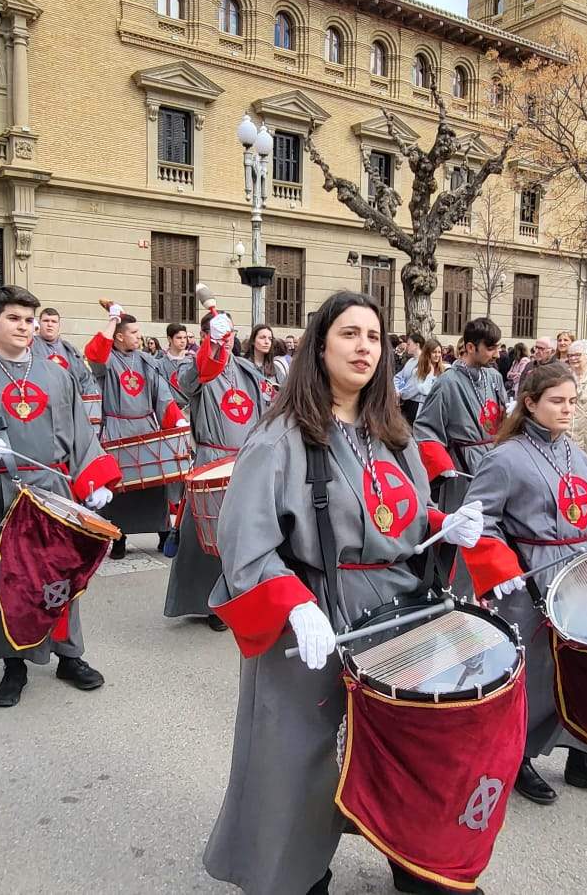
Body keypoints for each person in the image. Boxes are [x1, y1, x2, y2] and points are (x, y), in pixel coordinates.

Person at [203, 290, 487, 895]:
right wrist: (292, 603)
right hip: (319, 618)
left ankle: (413, 861)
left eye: (374, 338)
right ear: (319, 346)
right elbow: (245, 544)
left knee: (404, 749)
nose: (364, 348)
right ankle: (298, 875)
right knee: (303, 761)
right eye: (349, 335)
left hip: (401, 616)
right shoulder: (279, 437)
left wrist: (444, 527)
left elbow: (408, 520)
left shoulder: (395, 433)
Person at [462, 361, 587, 805]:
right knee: (534, 672)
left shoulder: (579, 455)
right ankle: (520, 758)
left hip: (582, 569)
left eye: (572, 401)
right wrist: (498, 569)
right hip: (530, 576)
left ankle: (583, 756)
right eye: (557, 401)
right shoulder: (505, 457)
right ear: (530, 403)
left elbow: (582, 511)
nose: (568, 409)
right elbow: (478, 520)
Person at [0, 286, 119, 708]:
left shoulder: (56, 373)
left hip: (52, 492)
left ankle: (69, 656)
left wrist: (94, 480)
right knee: (4, 581)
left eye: (29, 320)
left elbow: (80, 434)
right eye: (14, 318)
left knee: (61, 576)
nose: (24, 328)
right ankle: (14, 664)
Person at [164, 309, 271, 630]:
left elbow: (265, 410)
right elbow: (184, 386)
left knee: (251, 532)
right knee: (209, 535)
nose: (228, 338)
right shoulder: (195, 369)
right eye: (218, 333)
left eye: (230, 331)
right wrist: (212, 348)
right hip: (211, 459)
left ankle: (250, 595)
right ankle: (210, 602)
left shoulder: (248, 370)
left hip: (247, 459)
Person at [85, 307, 186, 559]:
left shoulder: (146, 361)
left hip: (146, 426)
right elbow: (93, 352)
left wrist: (176, 420)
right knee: (120, 489)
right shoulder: (106, 360)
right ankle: (119, 537)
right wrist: (113, 321)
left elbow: (162, 395)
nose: (139, 336)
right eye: (133, 332)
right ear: (119, 336)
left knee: (155, 485)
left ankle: (163, 532)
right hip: (117, 429)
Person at [413, 317, 507, 524]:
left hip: (496, 459)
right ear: (471, 347)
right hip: (464, 466)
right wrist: (442, 465)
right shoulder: (447, 382)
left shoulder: (495, 378)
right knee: (463, 525)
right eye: (491, 348)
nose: (497, 354)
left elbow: (499, 417)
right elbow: (425, 428)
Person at [32, 307, 100, 425]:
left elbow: (85, 379)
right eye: (45, 321)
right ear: (39, 324)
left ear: (59, 326)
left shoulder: (70, 350)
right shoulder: (30, 346)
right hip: (41, 409)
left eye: (53, 322)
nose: (49, 325)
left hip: (69, 408)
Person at [393, 330, 438, 423]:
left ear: (417, 345)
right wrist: (397, 390)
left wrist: (401, 394)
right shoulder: (410, 361)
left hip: (416, 404)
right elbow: (398, 377)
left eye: (409, 344)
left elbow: (416, 386)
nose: (407, 346)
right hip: (405, 401)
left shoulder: (424, 362)